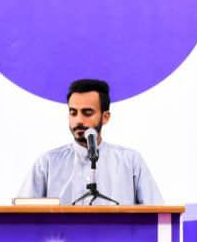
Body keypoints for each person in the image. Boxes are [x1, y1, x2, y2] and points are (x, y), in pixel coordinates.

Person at [18, 78, 163, 206]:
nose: (79, 120)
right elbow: (22, 214)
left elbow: (158, 213)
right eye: (73, 113)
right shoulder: (47, 163)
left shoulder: (130, 162)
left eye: (87, 113)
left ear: (105, 117)